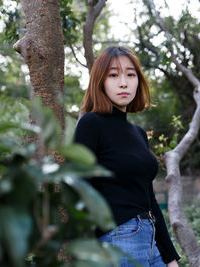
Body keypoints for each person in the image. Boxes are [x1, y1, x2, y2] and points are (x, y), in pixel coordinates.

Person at [73, 46, 180, 267]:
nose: (123, 82)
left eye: (130, 74)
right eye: (113, 75)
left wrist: (170, 257)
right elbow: (80, 187)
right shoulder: (91, 124)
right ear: (100, 81)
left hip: (151, 241)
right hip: (117, 240)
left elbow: (148, 197)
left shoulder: (138, 133)